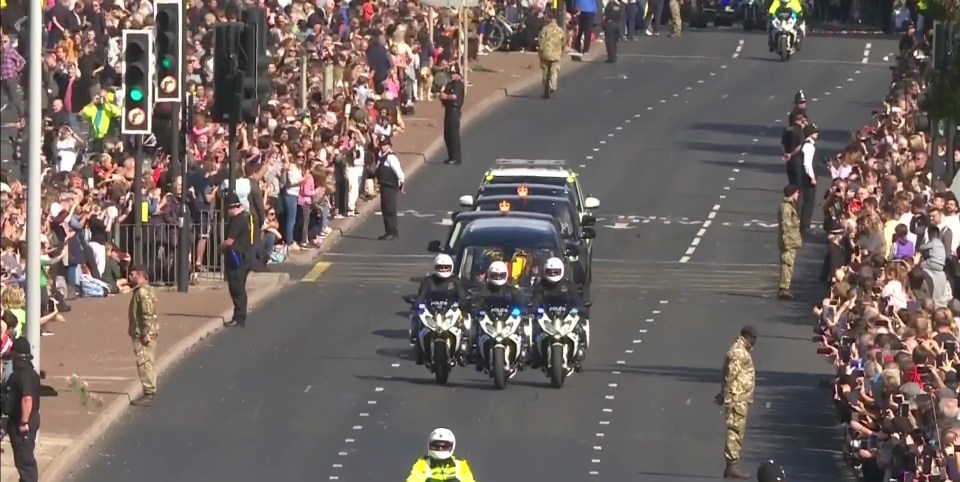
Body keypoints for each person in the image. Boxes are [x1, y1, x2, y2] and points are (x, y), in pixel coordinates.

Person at [713, 325, 757, 480]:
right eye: (753, 338)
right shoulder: (738, 352)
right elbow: (731, 375)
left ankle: (733, 464)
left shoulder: (741, 350)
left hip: (740, 398)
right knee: (734, 431)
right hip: (736, 398)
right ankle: (732, 466)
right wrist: (725, 395)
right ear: (747, 336)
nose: (754, 342)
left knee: (737, 431)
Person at [529, 257, 588, 367]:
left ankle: (580, 348)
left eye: (555, 271)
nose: (552, 274)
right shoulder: (541, 286)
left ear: (561, 271)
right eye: (550, 272)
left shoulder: (568, 286)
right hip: (548, 317)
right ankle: (535, 352)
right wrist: (533, 308)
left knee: (580, 326)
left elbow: (576, 299)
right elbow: (535, 299)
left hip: (565, 317)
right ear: (545, 272)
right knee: (534, 329)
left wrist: (581, 308)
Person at [411, 254, 468, 364]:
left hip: (450, 311)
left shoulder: (455, 281)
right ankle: (417, 344)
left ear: (451, 267)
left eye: (446, 267)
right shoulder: (428, 281)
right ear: (435, 267)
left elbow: (462, 296)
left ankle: (463, 345)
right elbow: (421, 295)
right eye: (440, 267)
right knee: (416, 316)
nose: (443, 270)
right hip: (432, 312)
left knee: (465, 317)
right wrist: (416, 303)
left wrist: (464, 303)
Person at [2, 337, 41, 482]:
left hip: (24, 422)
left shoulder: (24, 375)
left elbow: (27, 399)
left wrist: (23, 423)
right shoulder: (29, 372)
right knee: (22, 460)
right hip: (25, 419)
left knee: (25, 461)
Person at [473, 261, 525, 368]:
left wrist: (523, 309)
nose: (497, 278)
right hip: (490, 321)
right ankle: (477, 352)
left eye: (500, 275)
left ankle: (523, 351)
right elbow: (477, 302)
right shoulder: (484, 290)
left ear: (505, 275)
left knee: (524, 327)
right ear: (489, 275)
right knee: (475, 327)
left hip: (507, 320)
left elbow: (521, 303)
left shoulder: (512, 291)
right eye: (495, 276)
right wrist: (476, 309)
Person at [127, 265, 159, 406]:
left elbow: (147, 314)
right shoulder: (147, 290)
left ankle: (149, 393)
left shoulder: (142, 293)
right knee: (147, 362)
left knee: (144, 362)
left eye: (132, 274)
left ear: (139, 275)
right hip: (147, 331)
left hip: (144, 333)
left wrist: (145, 333)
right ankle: (149, 390)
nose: (129, 277)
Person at [221, 192, 253, 327]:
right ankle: (239, 315)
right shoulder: (245, 218)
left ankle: (239, 317)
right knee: (238, 288)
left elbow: (229, 242)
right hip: (244, 258)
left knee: (237, 288)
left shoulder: (236, 221)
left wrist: (220, 247)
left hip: (237, 259)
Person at [405, 428, 477, 482]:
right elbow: (413, 479)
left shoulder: (460, 465)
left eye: (444, 446)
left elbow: (468, 480)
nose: (440, 449)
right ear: (429, 445)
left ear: (452, 446)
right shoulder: (423, 464)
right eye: (436, 446)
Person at [375, 138, 405, 240]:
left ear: (389, 145)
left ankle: (392, 232)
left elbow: (399, 172)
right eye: (381, 145)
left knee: (390, 209)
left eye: (385, 145)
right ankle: (388, 231)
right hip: (384, 186)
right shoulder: (381, 157)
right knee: (385, 208)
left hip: (390, 186)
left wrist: (401, 183)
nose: (382, 147)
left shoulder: (391, 158)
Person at [778, 185, 802, 300]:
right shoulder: (786, 207)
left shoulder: (789, 206)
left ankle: (785, 287)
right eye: (796, 193)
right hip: (788, 240)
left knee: (789, 264)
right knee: (786, 264)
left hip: (791, 240)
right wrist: (786, 241)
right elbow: (785, 226)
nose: (798, 195)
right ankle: (784, 288)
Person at [439, 65, 465, 165]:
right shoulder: (450, 84)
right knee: (447, 134)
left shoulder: (458, 85)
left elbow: (454, 96)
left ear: (458, 74)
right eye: (451, 73)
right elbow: (444, 93)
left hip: (454, 110)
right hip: (448, 109)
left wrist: (445, 96)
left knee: (453, 134)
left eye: (454, 73)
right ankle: (450, 156)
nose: (452, 75)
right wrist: (442, 95)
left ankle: (456, 157)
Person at [538, 11, 565, 99]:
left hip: (546, 53)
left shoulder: (544, 29)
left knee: (545, 72)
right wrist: (562, 52)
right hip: (556, 54)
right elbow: (564, 42)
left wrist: (540, 52)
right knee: (554, 72)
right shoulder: (560, 30)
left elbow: (540, 41)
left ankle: (546, 91)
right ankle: (553, 88)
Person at [798, 123, 819, 233]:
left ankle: (806, 224)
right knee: (808, 201)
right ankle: (805, 225)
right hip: (808, 177)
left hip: (808, 176)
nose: (817, 133)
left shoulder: (808, 144)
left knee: (809, 201)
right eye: (815, 132)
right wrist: (812, 177)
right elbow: (807, 164)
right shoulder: (809, 146)